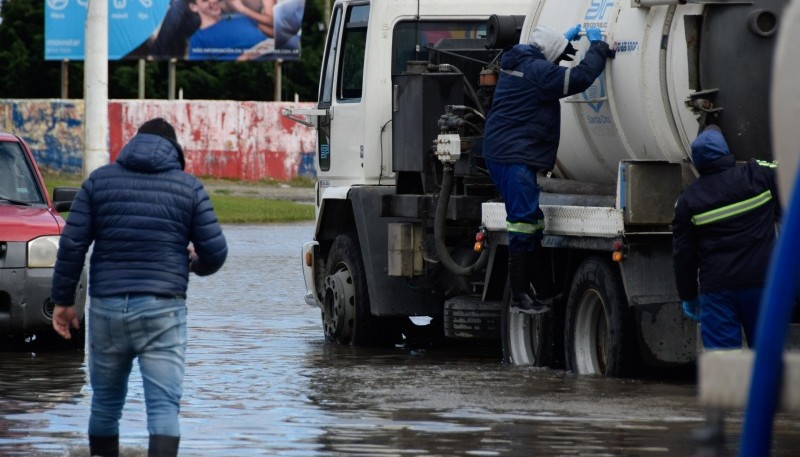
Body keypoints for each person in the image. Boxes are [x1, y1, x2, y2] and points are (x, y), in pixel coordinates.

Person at [50, 118, 228, 457]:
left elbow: (73, 244)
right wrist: (194, 264)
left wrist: (63, 301)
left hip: (107, 309)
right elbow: (215, 253)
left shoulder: (98, 182)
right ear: (175, 150)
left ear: (133, 144)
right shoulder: (189, 187)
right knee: (163, 408)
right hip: (163, 310)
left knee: (104, 405)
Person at [483, 24, 615, 314]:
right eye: (558, 53)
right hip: (513, 156)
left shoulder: (517, 61)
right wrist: (598, 48)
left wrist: (559, 43)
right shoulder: (538, 73)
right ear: (548, 55)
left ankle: (543, 287)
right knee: (522, 221)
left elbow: (545, 64)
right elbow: (579, 78)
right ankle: (519, 294)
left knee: (533, 220)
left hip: (505, 152)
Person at [672, 124, 781, 350]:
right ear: (726, 151)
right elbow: (789, 175)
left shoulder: (688, 201)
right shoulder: (757, 173)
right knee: (769, 360)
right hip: (762, 284)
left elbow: (684, 256)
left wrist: (688, 295)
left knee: (724, 365)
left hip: (718, 292)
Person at [186, 0, 303, 60]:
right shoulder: (198, 37)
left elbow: (277, 30)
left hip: (273, 53)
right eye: (204, 0)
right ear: (193, 7)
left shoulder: (244, 18)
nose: (212, 2)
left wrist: (241, 9)